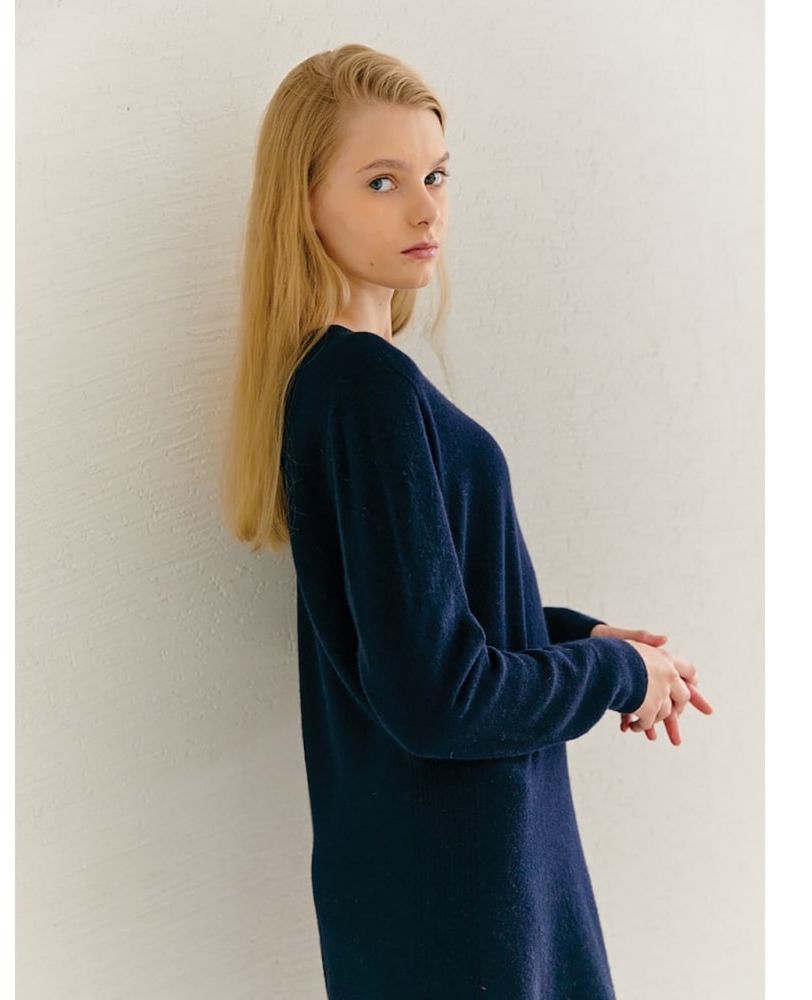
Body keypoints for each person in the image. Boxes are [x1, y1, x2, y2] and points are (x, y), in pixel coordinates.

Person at [221, 43, 712, 1000]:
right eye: (382, 181)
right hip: (469, 900)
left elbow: (421, 625)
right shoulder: (367, 391)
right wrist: (615, 675)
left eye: (436, 176)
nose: (426, 209)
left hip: (442, 889)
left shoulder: (338, 385)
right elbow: (439, 695)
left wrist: (578, 637)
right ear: (304, 202)